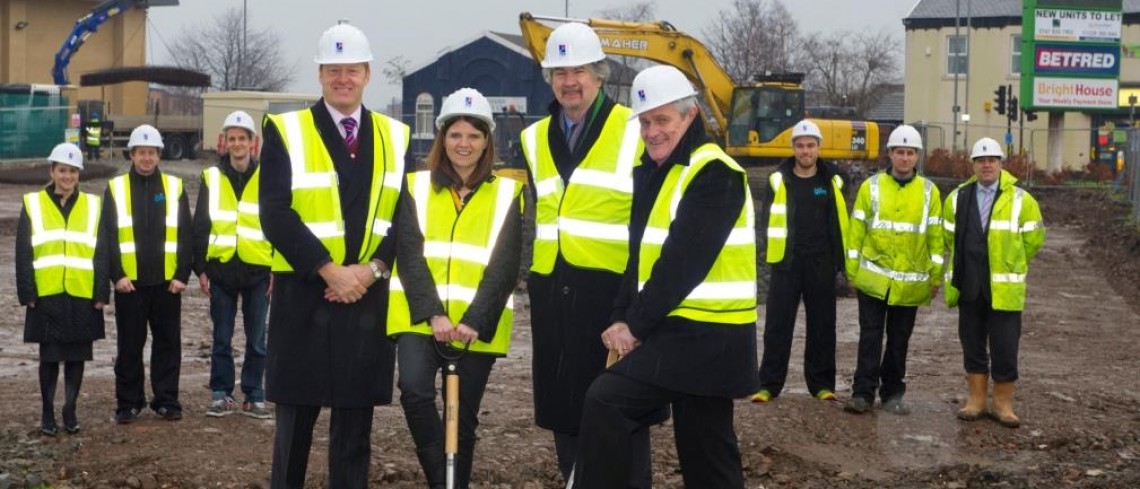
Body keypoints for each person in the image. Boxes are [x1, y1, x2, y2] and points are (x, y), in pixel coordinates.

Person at [573, 65, 759, 488]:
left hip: (711, 337)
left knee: (608, 401)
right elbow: (639, 257)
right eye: (645, 122)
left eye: (662, 120)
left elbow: (682, 263)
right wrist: (622, 314)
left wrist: (635, 326)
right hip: (679, 333)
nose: (652, 131)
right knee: (709, 454)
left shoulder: (715, 173)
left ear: (690, 116)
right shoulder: (654, 171)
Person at [259, 22, 408, 489]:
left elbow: (406, 218)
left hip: (365, 296)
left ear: (367, 73)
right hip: (304, 295)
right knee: (293, 434)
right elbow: (275, 213)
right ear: (320, 74)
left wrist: (371, 270)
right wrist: (329, 270)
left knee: (353, 435)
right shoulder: (286, 129)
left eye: (352, 69)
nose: (343, 78)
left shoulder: (395, 136)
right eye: (333, 70)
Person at [518, 22, 651, 486]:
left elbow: (647, 222)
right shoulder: (534, 137)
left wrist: (636, 304)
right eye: (559, 72)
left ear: (600, 74)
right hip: (554, 290)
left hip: (610, 293)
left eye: (578, 70)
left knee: (619, 405)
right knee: (563, 403)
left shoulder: (634, 129)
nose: (568, 81)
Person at [387, 88, 523, 489]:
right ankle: (440, 481)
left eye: (474, 136)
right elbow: (409, 255)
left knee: (461, 419)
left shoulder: (507, 194)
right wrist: (435, 313)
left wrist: (474, 320)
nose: (464, 144)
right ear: (442, 138)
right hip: (420, 319)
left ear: (487, 142)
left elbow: (505, 265)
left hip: (475, 329)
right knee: (414, 392)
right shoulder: (414, 187)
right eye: (455, 135)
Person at [943, 138, 1045, 428]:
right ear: (973, 164)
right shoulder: (957, 197)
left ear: (1001, 164)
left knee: (1005, 345)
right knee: (972, 343)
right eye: (981, 160)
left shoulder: (1021, 200)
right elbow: (947, 236)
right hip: (969, 284)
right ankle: (976, 400)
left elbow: (1034, 239)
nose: (986, 165)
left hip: (1004, 287)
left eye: (992, 160)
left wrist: (1012, 263)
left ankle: (1003, 404)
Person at [843, 125, 943, 415]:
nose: (904, 158)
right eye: (900, 152)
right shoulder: (870, 187)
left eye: (910, 152)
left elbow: (936, 239)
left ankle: (892, 395)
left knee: (899, 341)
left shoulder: (929, 193)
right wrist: (852, 272)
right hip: (874, 279)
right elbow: (856, 232)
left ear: (917, 156)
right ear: (890, 154)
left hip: (909, 284)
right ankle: (862, 394)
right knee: (870, 337)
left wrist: (935, 277)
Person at [16, 143, 109, 436]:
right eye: (62, 170)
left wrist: (101, 293)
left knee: (77, 356)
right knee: (50, 357)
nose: (67, 176)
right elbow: (23, 252)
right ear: (52, 172)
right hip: (47, 294)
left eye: (72, 171)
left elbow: (102, 252)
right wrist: (27, 292)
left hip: (82, 294)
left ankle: (69, 409)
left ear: (79, 174)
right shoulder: (33, 204)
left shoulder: (93, 206)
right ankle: (47, 412)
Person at [102, 124, 193, 424]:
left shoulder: (174, 187)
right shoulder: (115, 189)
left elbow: (185, 235)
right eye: (141, 152)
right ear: (131, 154)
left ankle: (166, 400)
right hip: (130, 284)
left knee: (167, 345)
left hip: (168, 285)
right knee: (129, 346)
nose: (146, 158)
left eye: (151, 152)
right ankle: (128, 403)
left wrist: (182, 274)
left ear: (159, 154)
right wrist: (117, 276)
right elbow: (108, 238)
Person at [752, 120, 849, 404]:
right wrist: (769, 253)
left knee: (823, 325)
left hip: (821, 262)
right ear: (793, 147)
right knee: (777, 326)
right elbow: (767, 221)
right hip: (787, 263)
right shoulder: (778, 179)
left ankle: (821, 384)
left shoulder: (832, 180)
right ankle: (768, 384)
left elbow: (841, 223)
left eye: (810, 145)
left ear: (819, 147)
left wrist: (841, 263)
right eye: (800, 145)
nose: (805, 151)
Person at [192, 110, 273, 419]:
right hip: (222, 269)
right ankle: (221, 393)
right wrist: (201, 268)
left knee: (257, 339)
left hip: (258, 269)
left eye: (243, 138)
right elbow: (201, 225)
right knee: (221, 338)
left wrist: (276, 268)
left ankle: (254, 394)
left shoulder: (268, 177)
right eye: (232, 139)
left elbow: (278, 224)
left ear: (253, 143)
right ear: (224, 143)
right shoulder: (212, 177)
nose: (237, 144)